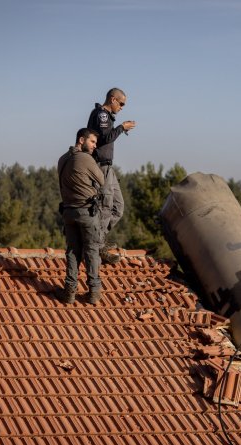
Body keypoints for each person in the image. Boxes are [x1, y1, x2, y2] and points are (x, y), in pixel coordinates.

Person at [87, 87, 136, 263]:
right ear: (113, 99)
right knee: (106, 206)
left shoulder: (106, 116)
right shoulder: (102, 115)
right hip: (100, 167)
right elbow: (105, 137)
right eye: (121, 104)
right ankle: (97, 245)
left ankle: (96, 237)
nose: (122, 107)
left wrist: (120, 128)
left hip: (108, 167)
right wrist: (121, 127)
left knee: (118, 207)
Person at [56, 128, 105, 305]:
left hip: (68, 212)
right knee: (91, 250)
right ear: (81, 140)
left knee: (72, 251)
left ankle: (69, 292)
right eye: (92, 142)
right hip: (86, 212)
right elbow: (101, 180)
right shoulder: (85, 158)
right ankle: (93, 292)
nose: (94, 146)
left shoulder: (62, 159)